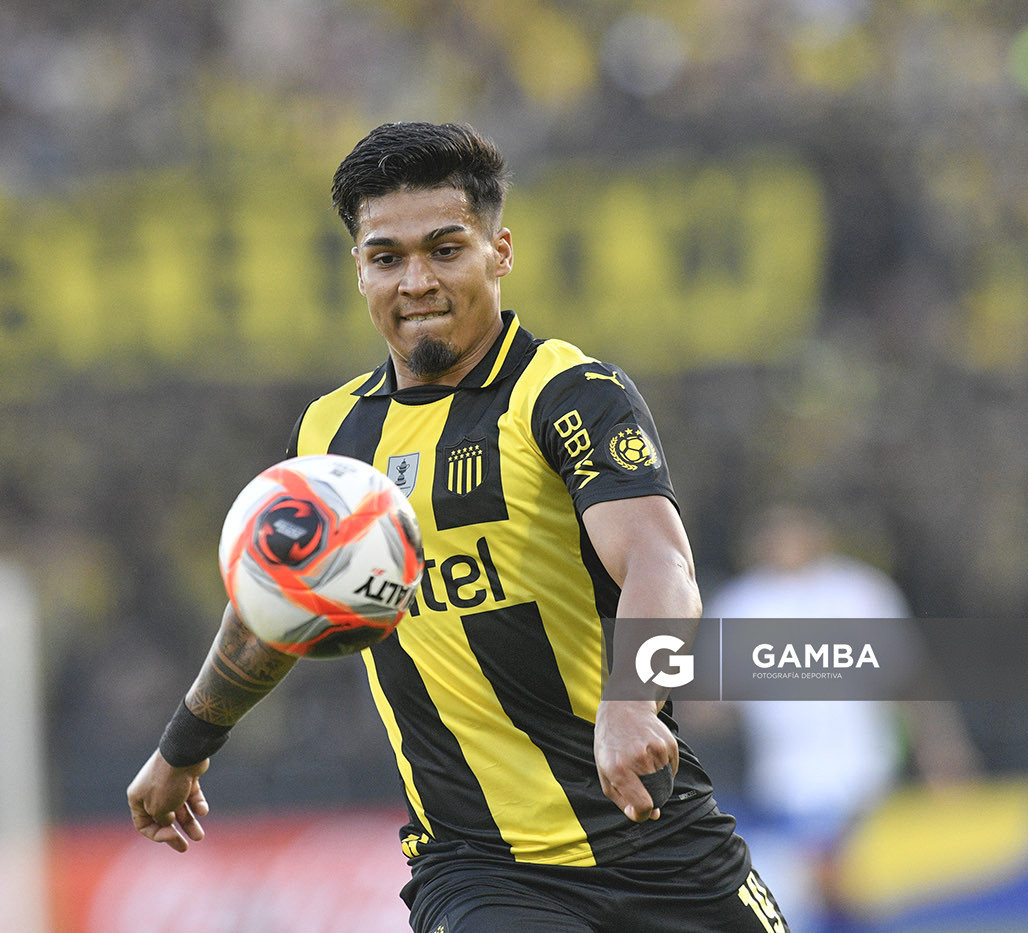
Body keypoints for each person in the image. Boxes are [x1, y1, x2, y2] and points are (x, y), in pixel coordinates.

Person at [128, 122, 789, 932]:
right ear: (359, 271)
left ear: (498, 252)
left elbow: (659, 563)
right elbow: (273, 607)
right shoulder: (330, 437)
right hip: (481, 869)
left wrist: (630, 700)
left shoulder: (565, 393)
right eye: (387, 258)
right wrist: (185, 745)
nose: (416, 281)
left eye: (445, 249)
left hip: (658, 837)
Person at [705, 503, 977, 930]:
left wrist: (941, 745)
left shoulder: (859, 591)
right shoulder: (741, 604)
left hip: (862, 768)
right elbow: (710, 699)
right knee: (815, 894)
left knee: (843, 882)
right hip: (783, 776)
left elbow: (909, 675)